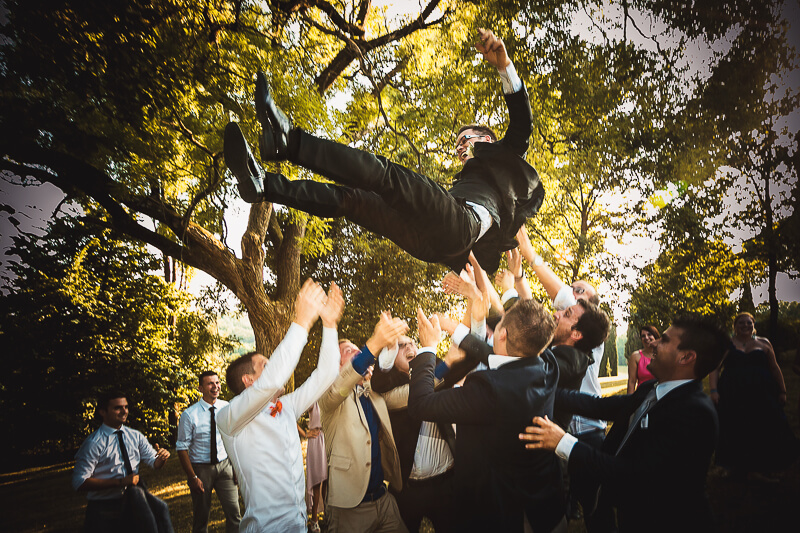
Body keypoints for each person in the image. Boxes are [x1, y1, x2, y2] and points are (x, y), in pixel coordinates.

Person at [224, 28, 543, 274]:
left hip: (458, 229)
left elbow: (522, 124)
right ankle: (263, 185)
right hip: (431, 241)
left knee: (386, 175)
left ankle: (289, 143)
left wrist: (505, 67)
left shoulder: (507, 158)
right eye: (458, 142)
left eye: (467, 138)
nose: (461, 146)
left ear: (488, 139)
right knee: (353, 200)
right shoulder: (465, 186)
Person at [520, 315, 730, 532]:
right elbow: (598, 406)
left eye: (664, 340)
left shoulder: (694, 413)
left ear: (686, 357)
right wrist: (540, 389)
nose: (653, 343)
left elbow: (634, 475)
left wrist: (562, 442)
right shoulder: (652, 389)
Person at [408, 300, 565, 533]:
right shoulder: (547, 365)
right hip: (547, 507)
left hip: (502, 514)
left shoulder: (490, 390)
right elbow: (494, 355)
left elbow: (421, 405)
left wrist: (428, 348)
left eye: (499, 323)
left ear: (503, 335)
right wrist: (455, 328)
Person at [215, 279, 344, 533]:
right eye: (265, 363)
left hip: (299, 525)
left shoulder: (286, 406)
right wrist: (302, 322)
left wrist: (329, 325)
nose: (273, 365)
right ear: (248, 381)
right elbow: (273, 378)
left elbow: (326, 374)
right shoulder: (229, 417)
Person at [514, 225, 607, 526]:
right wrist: (517, 280)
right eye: (573, 289)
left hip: (589, 428)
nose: (571, 296)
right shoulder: (559, 342)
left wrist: (531, 256)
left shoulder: (592, 336)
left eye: (581, 294)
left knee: (593, 502)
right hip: (560, 431)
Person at [318, 316, 410, 533]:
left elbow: (413, 394)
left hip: (384, 500)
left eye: (356, 349)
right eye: (348, 351)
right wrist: (375, 343)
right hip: (349, 508)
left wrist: (448, 364)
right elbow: (339, 387)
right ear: (336, 365)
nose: (357, 352)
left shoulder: (374, 393)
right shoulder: (328, 397)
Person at [370, 335, 467, 533]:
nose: (409, 347)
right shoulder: (386, 387)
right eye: (400, 346)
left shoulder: (436, 365)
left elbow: (462, 365)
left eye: (412, 343)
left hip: (446, 482)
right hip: (408, 487)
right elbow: (379, 380)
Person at [709, 312, 798, 479]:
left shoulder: (764, 343)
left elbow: (774, 368)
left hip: (761, 393)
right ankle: (735, 466)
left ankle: (763, 465)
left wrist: (782, 390)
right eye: (741, 323)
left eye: (749, 323)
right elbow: (715, 368)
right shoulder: (726, 345)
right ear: (735, 326)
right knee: (735, 427)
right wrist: (714, 391)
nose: (745, 326)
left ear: (753, 324)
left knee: (763, 425)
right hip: (732, 393)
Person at [72, 391, 172, 532]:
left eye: (126, 407)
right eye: (117, 408)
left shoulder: (135, 436)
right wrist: (119, 482)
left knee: (160, 512)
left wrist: (162, 458)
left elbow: (155, 463)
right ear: (102, 412)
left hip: (134, 502)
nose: (124, 411)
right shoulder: (94, 443)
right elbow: (79, 482)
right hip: (104, 508)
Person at [176, 371, 241, 533]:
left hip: (225, 466)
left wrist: (236, 468)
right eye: (210, 383)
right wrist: (192, 477)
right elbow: (182, 448)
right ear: (200, 388)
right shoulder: (189, 415)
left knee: (235, 515)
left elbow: (234, 437)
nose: (215, 387)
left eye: (217, 383)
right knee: (201, 518)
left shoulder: (227, 408)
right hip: (201, 470)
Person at [304, 402, 326, 533]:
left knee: (327, 480)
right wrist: (305, 433)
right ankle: (314, 519)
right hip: (316, 439)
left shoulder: (329, 397)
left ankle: (328, 514)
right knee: (317, 480)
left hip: (327, 437)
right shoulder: (312, 401)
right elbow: (292, 412)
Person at [626, 325, 660, 394]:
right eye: (643, 336)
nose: (646, 338)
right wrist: (630, 403)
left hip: (660, 396)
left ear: (655, 336)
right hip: (642, 397)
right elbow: (631, 382)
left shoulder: (663, 355)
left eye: (649, 334)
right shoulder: (635, 356)